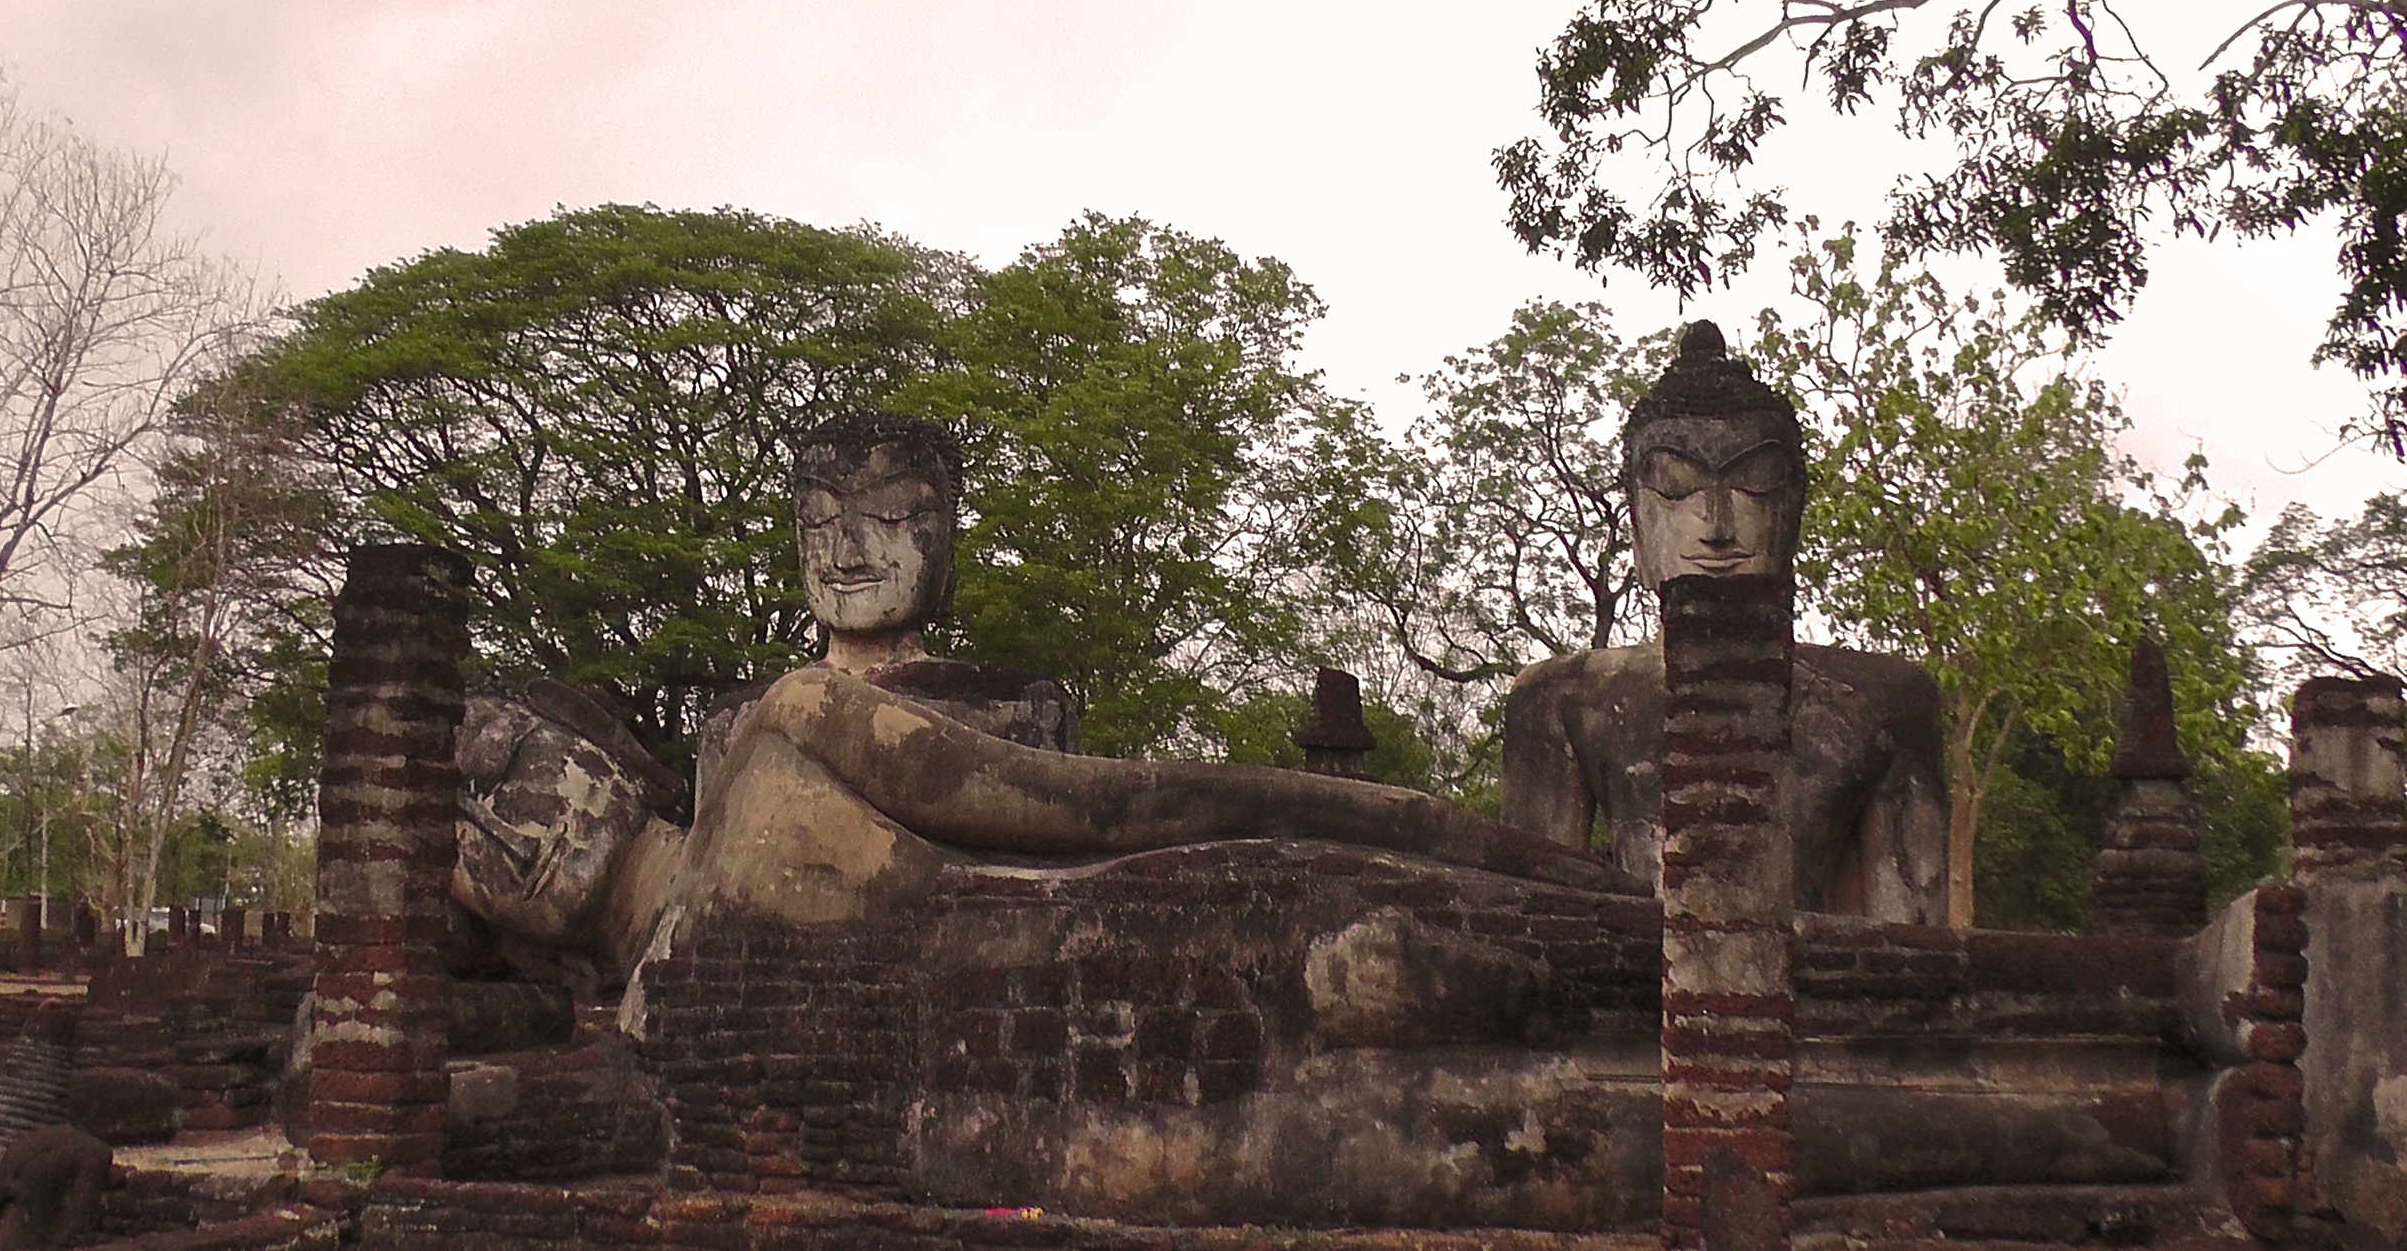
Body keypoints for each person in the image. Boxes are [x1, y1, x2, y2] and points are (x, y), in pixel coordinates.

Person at [602, 411, 1636, 970]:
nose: (851, 548)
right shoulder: (745, 722)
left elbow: (1097, 834)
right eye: (822, 517)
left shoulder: (1010, 704)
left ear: (945, 532)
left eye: (887, 513)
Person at [1498, 322, 1950, 923]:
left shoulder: (1884, 704)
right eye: (1676, 489)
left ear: (1792, 516)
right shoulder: (1562, 701)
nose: (1715, 525)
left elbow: (1907, 946)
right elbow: (1546, 928)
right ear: (1636, 524)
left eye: (1753, 485)